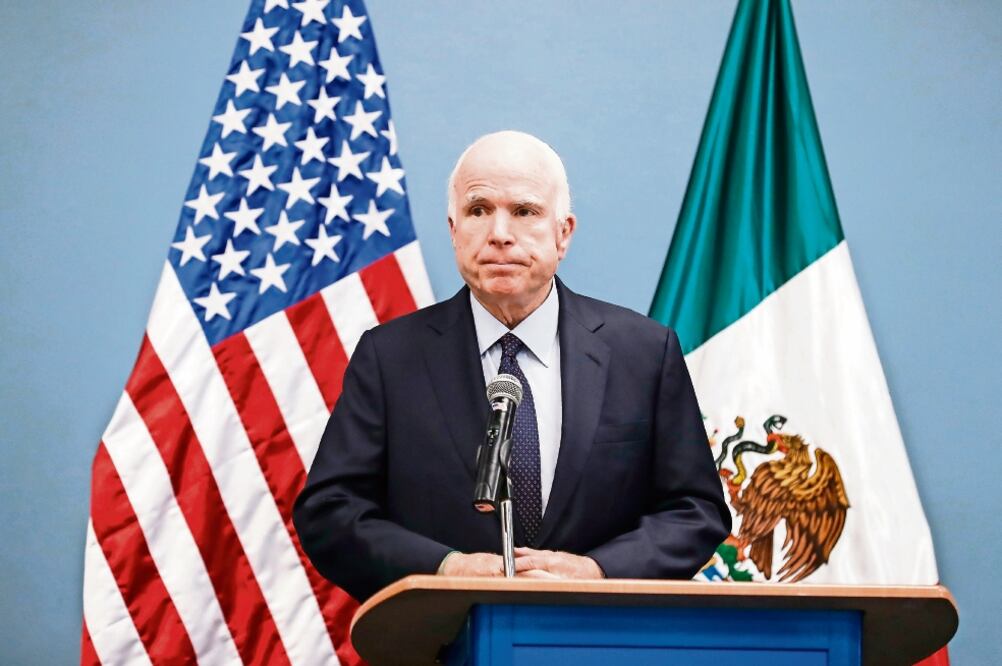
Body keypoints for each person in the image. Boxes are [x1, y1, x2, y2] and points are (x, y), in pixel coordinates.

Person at [293, 131, 730, 602]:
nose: (500, 233)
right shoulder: (390, 357)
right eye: (478, 210)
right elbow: (331, 512)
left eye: (524, 211)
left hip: (601, 637)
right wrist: (445, 569)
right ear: (453, 229)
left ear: (563, 233)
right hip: (442, 640)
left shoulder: (643, 352)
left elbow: (695, 511)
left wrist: (599, 571)